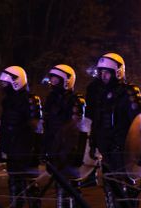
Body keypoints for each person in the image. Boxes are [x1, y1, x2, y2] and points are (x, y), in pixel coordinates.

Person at [87, 53, 141, 208]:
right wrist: (93, 144)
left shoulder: (129, 92)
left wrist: (140, 152)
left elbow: (139, 124)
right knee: (110, 191)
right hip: (106, 150)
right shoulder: (98, 93)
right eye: (101, 72)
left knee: (126, 191)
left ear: (117, 72)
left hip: (124, 151)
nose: (103, 76)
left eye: (107, 72)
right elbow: (95, 122)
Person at [0, 66, 43, 208]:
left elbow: (37, 128)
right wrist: (1, 148)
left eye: (5, 84)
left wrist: (36, 151)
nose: (3, 87)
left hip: (26, 150)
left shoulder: (30, 100)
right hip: (12, 150)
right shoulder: (7, 102)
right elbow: (4, 127)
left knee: (30, 186)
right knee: (14, 185)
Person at [42, 64, 87, 207]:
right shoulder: (51, 99)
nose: (53, 82)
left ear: (66, 80)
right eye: (52, 79)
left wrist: (73, 152)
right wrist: (45, 148)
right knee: (59, 188)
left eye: (56, 79)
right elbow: (47, 126)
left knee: (72, 187)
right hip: (54, 149)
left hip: (69, 151)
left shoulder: (76, 100)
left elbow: (77, 129)